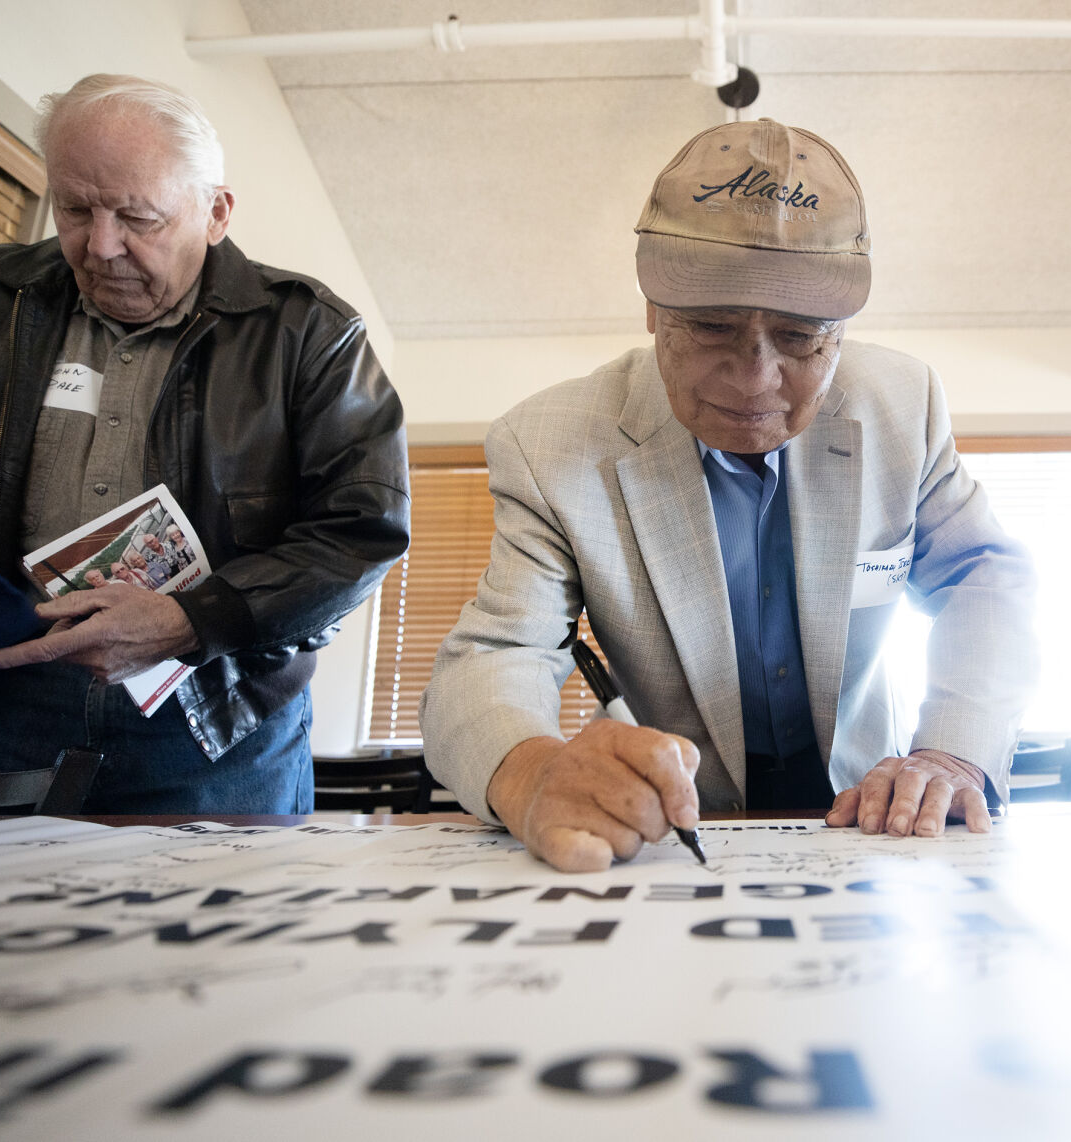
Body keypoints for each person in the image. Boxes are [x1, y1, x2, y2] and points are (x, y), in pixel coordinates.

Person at [421, 118, 1035, 872]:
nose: (754, 379)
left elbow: (987, 578)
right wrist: (532, 771)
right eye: (711, 328)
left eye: (801, 337)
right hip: (678, 842)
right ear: (652, 309)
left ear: (842, 328)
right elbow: (495, 652)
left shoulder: (902, 405)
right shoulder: (549, 444)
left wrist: (951, 751)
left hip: (877, 827)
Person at [0, 74, 409, 813]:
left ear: (216, 212)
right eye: (75, 209)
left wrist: (192, 621)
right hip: (16, 705)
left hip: (222, 725)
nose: (101, 247)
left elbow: (360, 534)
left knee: (219, 930)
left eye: (138, 217)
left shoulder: (311, 335)